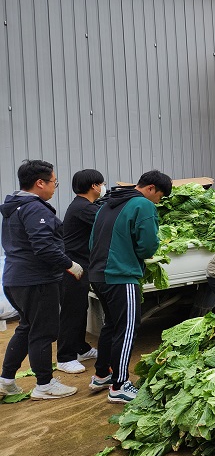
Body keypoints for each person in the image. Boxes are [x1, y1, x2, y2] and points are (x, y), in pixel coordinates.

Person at [88, 170, 172, 403]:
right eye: (160, 196)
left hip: (98, 273)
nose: (158, 201)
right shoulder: (142, 205)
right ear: (151, 189)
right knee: (127, 330)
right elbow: (147, 246)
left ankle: (102, 374)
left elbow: (92, 240)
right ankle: (120, 385)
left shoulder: (107, 203)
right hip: (121, 274)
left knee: (112, 325)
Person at [0, 160, 81, 400]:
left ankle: (6, 380)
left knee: (26, 327)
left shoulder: (14, 206)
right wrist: (70, 264)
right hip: (36, 280)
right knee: (43, 332)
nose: (55, 187)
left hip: (15, 278)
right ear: (40, 183)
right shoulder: (34, 208)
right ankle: (44, 384)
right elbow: (43, 246)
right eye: (54, 182)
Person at [56, 169, 106, 374]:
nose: (104, 187)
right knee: (71, 311)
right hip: (71, 268)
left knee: (79, 308)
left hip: (80, 266)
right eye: (101, 183)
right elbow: (107, 221)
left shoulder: (83, 205)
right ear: (94, 186)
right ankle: (65, 357)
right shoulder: (84, 208)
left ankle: (80, 348)